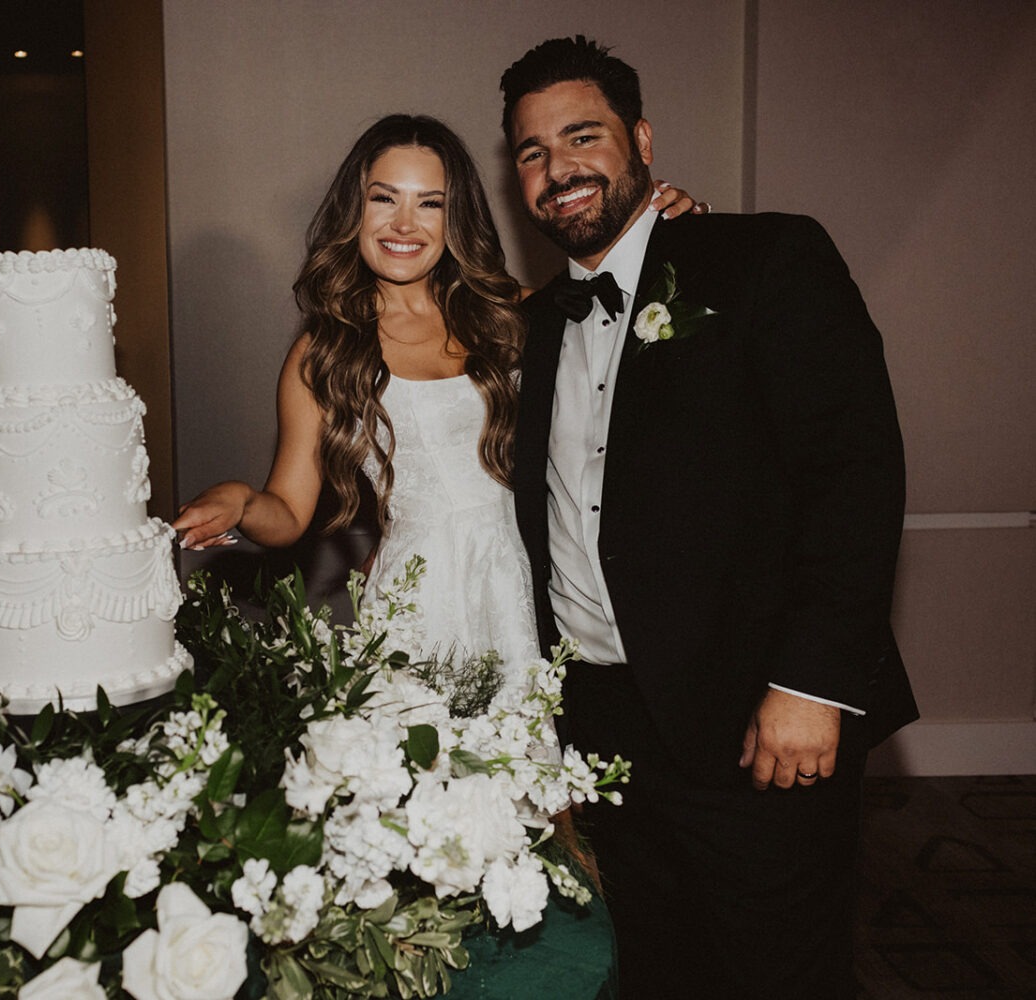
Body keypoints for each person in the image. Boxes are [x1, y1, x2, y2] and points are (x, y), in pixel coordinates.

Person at [500, 36, 918, 999]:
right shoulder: (530, 325)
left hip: (757, 725)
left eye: (582, 136)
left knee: (779, 973)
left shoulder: (763, 257)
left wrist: (814, 683)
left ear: (640, 140)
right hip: (599, 727)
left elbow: (854, 472)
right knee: (652, 970)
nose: (558, 168)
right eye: (530, 151)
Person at [173, 114, 697, 683]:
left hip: (539, 589)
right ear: (357, 209)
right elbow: (289, 515)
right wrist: (244, 501)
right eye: (384, 198)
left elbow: (628, 320)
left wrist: (666, 223)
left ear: (456, 219)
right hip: (417, 605)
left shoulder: (516, 315)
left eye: (430, 203)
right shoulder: (322, 354)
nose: (405, 223)